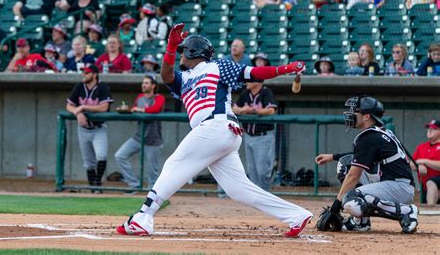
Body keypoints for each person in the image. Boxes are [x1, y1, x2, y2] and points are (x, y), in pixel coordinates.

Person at [116, 23, 312, 238]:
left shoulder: (218, 66)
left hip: (217, 126)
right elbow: (166, 75)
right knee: (238, 189)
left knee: (174, 163)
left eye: (183, 51)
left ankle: (144, 215)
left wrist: (287, 68)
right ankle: (296, 215)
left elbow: (254, 73)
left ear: (194, 52)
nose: (181, 55)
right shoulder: (185, 78)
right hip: (218, 133)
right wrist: (171, 47)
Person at [315, 96, 418, 234]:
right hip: (392, 182)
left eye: (356, 111)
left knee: (350, 200)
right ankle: (360, 222)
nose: (351, 114)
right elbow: (358, 156)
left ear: (367, 116)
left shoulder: (369, 137)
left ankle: (407, 211)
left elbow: (353, 175)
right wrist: (333, 157)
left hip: (399, 187)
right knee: (345, 164)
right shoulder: (379, 132)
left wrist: (335, 206)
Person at [66, 63, 113, 193]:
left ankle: (97, 185)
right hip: (83, 129)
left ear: (95, 74)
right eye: (83, 72)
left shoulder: (102, 87)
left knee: (101, 156)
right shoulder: (79, 86)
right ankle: (93, 188)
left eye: (87, 72)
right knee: (88, 162)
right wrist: (78, 112)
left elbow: (104, 108)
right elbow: (68, 106)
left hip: (99, 128)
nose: (84, 74)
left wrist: (83, 107)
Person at [115, 75, 165, 191]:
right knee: (120, 156)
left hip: (153, 139)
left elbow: (155, 109)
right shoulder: (140, 97)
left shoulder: (159, 97)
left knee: (152, 173)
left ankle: (152, 196)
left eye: (147, 83)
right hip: (138, 137)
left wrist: (139, 110)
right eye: (143, 83)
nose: (143, 85)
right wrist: (128, 110)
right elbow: (134, 110)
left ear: (153, 85)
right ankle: (134, 184)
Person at [233, 82, 277, 191]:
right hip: (248, 136)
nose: (247, 82)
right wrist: (243, 110)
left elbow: (271, 110)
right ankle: (256, 199)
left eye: (249, 80)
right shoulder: (245, 94)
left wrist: (252, 110)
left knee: (262, 172)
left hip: (263, 137)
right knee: (252, 172)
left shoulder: (266, 92)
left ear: (257, 81)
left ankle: (266, 197)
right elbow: (234, 108)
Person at [411, 120, 440, 205]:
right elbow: (412, 164)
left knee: (431, 182)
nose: (429, 131)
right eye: (428, 128)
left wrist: (424, 161)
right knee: (431, 184)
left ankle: (430, 212)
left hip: (433, 182)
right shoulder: (422, 147)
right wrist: (419, 166)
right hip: (426, 187)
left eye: (434, 129)